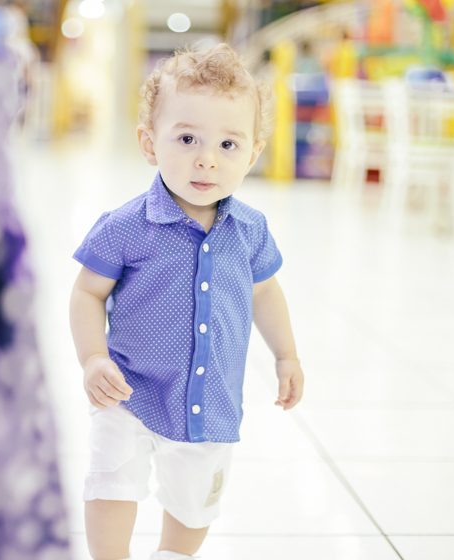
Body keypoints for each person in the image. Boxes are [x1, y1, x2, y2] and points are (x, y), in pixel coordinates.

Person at [69, 43, 305, 560]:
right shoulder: (126, 227)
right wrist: (92, 358)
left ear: (253, 153)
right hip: (127, 392)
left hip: (210, 402)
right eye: (187, 138)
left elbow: (264, 292)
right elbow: (87, 291)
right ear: (149, 143)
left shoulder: (250, 231)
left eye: (227, 144)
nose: (206, 157)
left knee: (196, 504)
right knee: (111, 483)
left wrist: (285, 354)